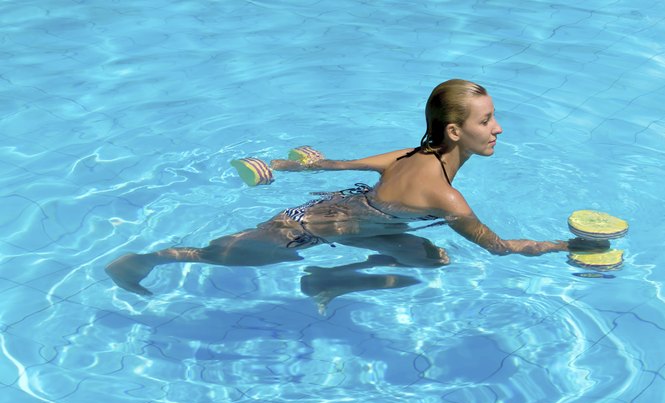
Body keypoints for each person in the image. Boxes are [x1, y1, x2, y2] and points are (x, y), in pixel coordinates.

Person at [105, 79, 603, 297]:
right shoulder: (445, 197)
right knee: (222, 256)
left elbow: (337, 165)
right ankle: (146, 260)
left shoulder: (412, 153)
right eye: (487, 121)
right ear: (455, 132)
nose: (498, 129)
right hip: (306, 229)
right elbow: (498, 249)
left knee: (428, 258)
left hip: (347, 218)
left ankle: (330, 281)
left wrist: (285, 165)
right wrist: (568, 246)